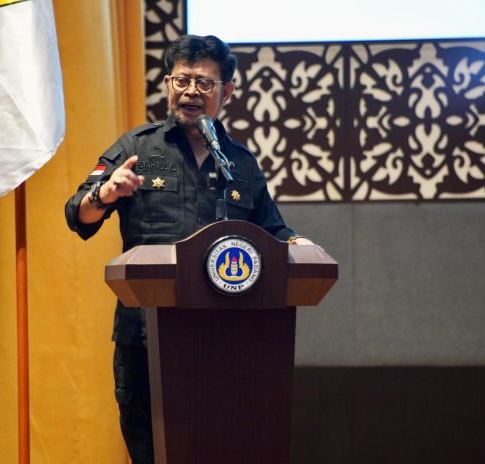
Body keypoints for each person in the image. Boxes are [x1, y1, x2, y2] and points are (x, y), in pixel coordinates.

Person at [64, 34, 313, 464]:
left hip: (225, 340)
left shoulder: (240, 163)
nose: (191, 92)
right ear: (167, 84)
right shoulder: (135, 149)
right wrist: (105, 194)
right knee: (152, 451)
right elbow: (77, 214)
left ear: (226, 92)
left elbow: (273, 229)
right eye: (182, 81)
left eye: (204, 83)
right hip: (145, 338)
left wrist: (300, 245)